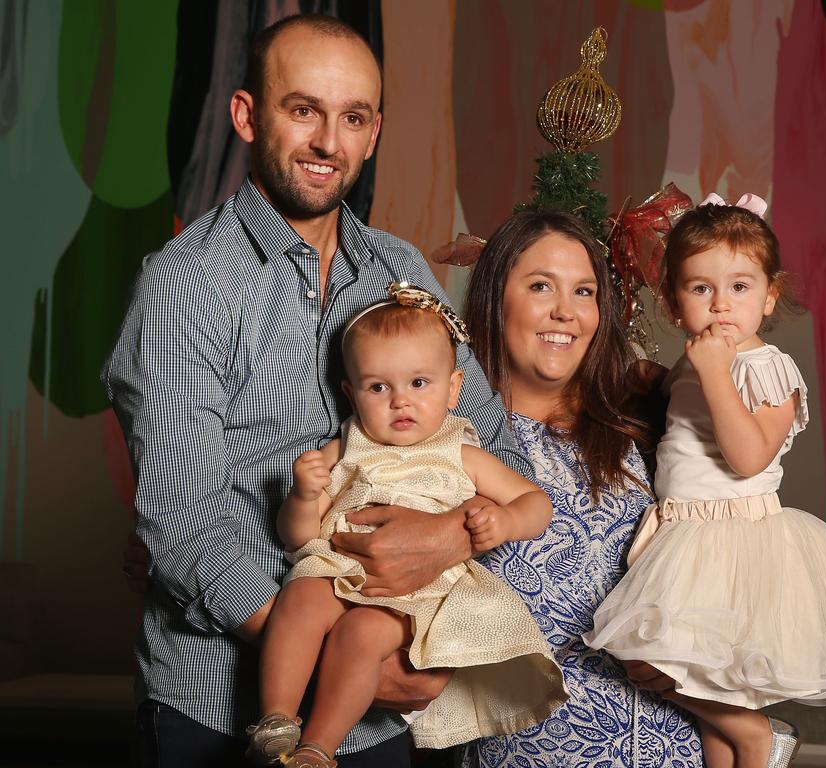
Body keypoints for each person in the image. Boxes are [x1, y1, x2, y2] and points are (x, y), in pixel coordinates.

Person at [103, 14, 528, 767]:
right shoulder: (185, 284)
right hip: (218, 700)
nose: (329, 142)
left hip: (376, 720)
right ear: (246, 115)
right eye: (304, 110)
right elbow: (183, 517)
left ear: (373, 133)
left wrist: (444, 543)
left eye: (353, 117)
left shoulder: (400, 272)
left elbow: (487, 444)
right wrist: (347, 656)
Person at [584, 193, 826, 768]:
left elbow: (749, 456)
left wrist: (712, 373)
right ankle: (745, 744)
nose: (721, 305)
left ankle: (760, 735)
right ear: (674, 302)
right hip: (685, 534)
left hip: (733, 542)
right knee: (708, 713)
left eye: (740, 286)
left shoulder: (766, 367)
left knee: (658, 665)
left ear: (770, 294)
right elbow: (676, 420)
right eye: (701, 288)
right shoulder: (697, 358)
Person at [248, 285, 565, 767]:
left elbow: (537, 502)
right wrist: (303, 496)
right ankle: (276, 721)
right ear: (350, 394)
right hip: (338, 569)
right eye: (379, 387)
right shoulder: (346, 448)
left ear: (454, 388)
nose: (400, 401)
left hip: (418, 592)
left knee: (362, 635)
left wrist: (503, 519)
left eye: (420, 383)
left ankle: (317, 748)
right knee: (301, 597)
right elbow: (298, 537)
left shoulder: (463, 453)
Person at [459, 210, 704, 767]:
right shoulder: (453, 441)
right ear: (496, 298)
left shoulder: (640, 429)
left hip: (675, 746)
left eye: (585, 291)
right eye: (541, 286)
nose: (566, 312)